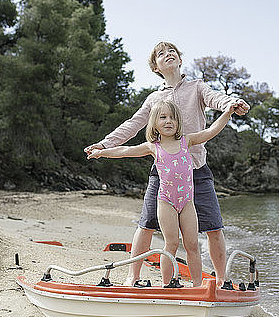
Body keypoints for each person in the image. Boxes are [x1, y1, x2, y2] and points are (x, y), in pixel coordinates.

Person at [84, 41, 250, 286]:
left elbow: (216, 99)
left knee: (214, 227)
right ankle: (133, 276)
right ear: (155, 67)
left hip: (198, 171)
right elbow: (132, 125)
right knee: (147, 224)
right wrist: (104, 145)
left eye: (172, 51)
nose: (168, 54)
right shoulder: (154, 99)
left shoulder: (197, 87)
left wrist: (231, 104)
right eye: (161, 54)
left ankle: (222, 280)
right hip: (163, 175)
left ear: (180, 60)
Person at [88, 100, 238, 287]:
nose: (168, 121)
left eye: (173, 117)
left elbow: (211, 131)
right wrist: (102, 152)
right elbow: (126, 150)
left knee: (192, 245)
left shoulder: (187, 140)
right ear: (155, 123)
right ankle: (168, 285)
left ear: (178, 122)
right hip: (166, 202)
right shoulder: (153, 146)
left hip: (187, 203)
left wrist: (227, 113)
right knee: (171, 244)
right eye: (163, 117)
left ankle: (198, 286)